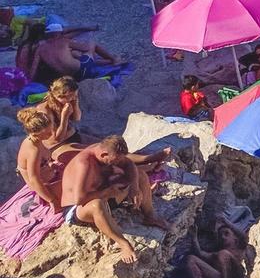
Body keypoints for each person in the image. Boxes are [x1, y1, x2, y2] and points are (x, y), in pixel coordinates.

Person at [59, 135, 167, 264]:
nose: (117, 164)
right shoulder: (84, 164)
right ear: (104, 154)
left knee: (141, 176)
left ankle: (150, 215)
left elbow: (129, 164)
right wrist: (107, 192)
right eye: (115, 161)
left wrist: (134, 188)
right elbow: (79, 199)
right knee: (96, 204)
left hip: (105, 195)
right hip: (78, 208)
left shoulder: (103, 150)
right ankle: (123, 243)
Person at [16, 107, 69, 211]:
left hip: (50, 177)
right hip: (43, 189)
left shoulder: (37, 141)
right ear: (36, 133)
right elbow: (34, 179)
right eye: (48, 133)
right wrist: (52, 200)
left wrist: (51, 165)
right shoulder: (33, 150)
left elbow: (42, 163)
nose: (52, 134)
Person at [183, 219, 247, 278]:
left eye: (226, 234)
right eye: (221, 235)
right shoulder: (217, 254)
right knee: (191, 259)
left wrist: (226, 221)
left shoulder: (241, 248)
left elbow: (242, 235)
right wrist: (194, 237)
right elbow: (200, 253)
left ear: (235, 238)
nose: (223, 237)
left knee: (224, 254)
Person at [41, 76, 84, 145]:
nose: (73, 98)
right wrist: (65, 116)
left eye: (75, 95)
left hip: (72, 135)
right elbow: (57, 139)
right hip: (57, 144)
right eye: (71, 96)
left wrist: (75, 104)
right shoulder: (45, 110)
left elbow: (77, 119)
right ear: (60, 96)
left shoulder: (69, 101)